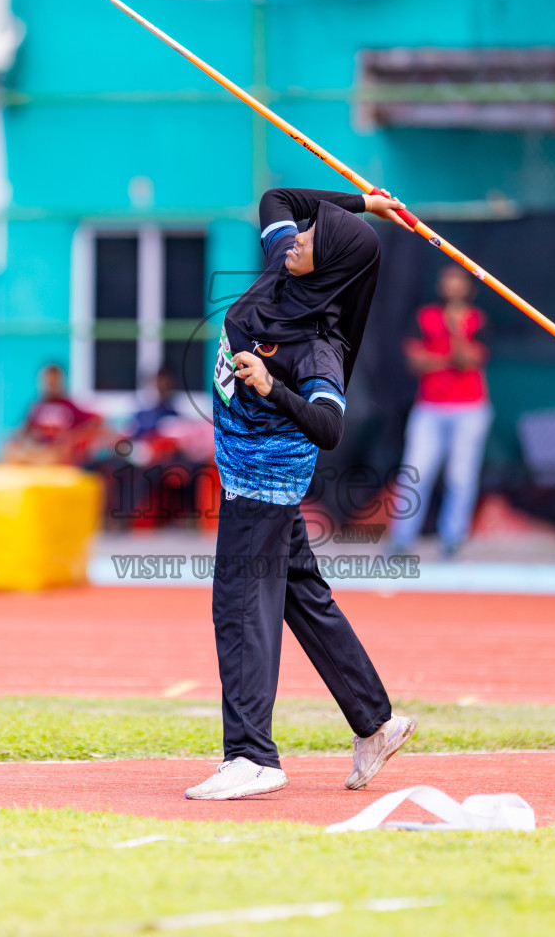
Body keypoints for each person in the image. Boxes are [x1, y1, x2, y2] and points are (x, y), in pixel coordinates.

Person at [185, 186, 417, 801]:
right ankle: (376, 721)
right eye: (303, 230)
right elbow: (276, 196)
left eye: (313, 237)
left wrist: (269, 387)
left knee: (238, 605)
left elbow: (329, 427)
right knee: (301, 597)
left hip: (265, 482)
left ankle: (252, 756)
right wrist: (364, 203)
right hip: (240, 468)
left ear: (333, 263)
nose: (298, 237)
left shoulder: (319, 345)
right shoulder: (286, 263)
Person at [391, 264, 493, 557]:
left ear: (467, 287)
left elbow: (470, 360)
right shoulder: (425, 316)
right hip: (430, 408)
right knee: (415, 473)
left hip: (470, 409)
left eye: (457, 281)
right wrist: (448, 358)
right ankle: (401, 539)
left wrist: (456, 333)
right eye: (447, 279)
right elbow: (415, 363)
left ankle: (452, 541)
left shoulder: (477, 319)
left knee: (461, 476)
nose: (451, 286)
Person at [3, 364, 102, 467]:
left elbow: (95, 423)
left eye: (54, 382)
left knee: (61, 452)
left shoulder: (68, 406)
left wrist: (73, 437)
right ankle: (34, 462)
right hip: (38, 447)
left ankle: (36, 463)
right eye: (48, 382)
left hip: (58, 449)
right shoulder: (37, 405)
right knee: (9, 447)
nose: (50, 385)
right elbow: (24, 429)